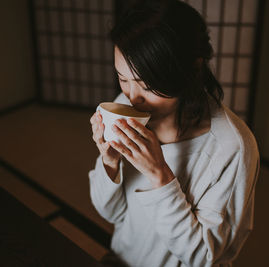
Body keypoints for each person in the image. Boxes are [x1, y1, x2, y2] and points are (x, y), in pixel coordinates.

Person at [88, 0, 259, 266]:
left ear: (190, 70)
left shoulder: (231, 148)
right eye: (123, 78)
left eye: (147, 85)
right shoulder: (127, 103)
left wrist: (160, 176)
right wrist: (109, 163)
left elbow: (204, 258)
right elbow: (110, 213)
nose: (132, 97)